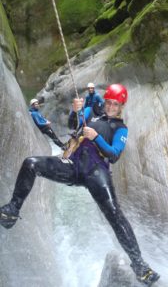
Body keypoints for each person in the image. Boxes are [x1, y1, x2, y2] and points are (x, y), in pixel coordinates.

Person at [0, 84, 159, 286]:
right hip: (72, 166)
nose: (111, 106)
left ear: (121, 106)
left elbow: (114, 154)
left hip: (97, 172)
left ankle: (139, 265)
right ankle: (12, 211)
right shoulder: (91, 112)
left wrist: (96, 137)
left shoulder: (120, 129)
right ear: (105, 100)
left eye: (115, 104)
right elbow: (72, 123)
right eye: (109, 102)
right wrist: (76, 111)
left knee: (115, 215)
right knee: (31, 164)